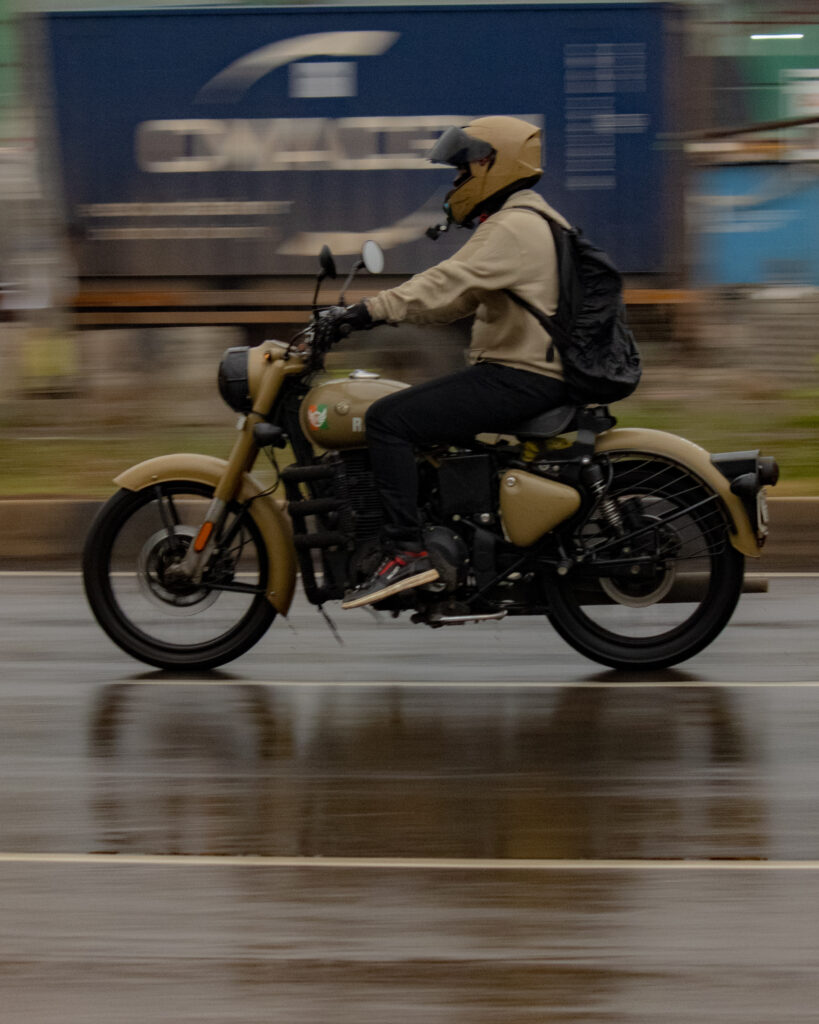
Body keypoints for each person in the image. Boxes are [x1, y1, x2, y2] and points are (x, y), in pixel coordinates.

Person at [326, 116, 570, 610]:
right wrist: (383, 316)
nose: (457, 180)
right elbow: (455, 300)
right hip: (529, 370)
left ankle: (408, 553)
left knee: (388, 419)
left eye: (463, 168)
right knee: (423, 422)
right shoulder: (529, 219)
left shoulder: (513, 226)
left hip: (520, 374)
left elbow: (446, 281)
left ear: (491, 164)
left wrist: (369, 310)